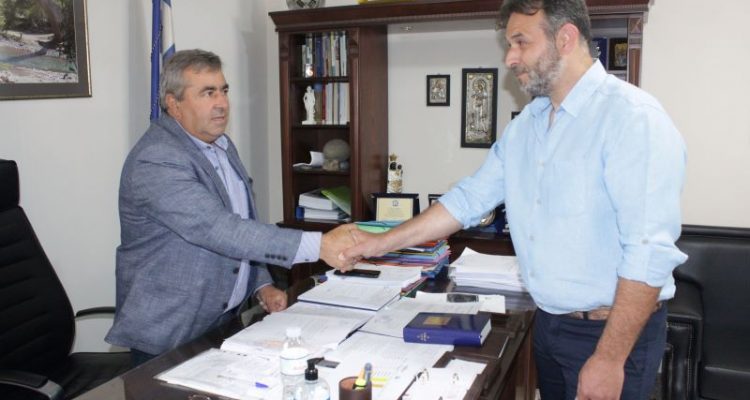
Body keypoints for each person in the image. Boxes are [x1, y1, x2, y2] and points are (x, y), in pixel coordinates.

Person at [340, 1, 687, 399]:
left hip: (612, 334)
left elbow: (649, 254)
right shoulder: (528, 124)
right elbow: (468, 199)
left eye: (521, 42)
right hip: (550, 324)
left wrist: (609, 358)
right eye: (509, 44)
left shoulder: (632, 118)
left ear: (565, 38)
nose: (510, 58)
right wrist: (379, 243)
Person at [106, 49, 356, 366]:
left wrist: (261, 284)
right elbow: (219, 230)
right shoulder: (156, 159)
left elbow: (242, 223)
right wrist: (320, 245)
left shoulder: (221, 145)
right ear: (174, 104)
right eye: (207, 93)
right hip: (169, 332)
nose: (222, 103)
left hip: (220, 323)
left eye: (223, 90)